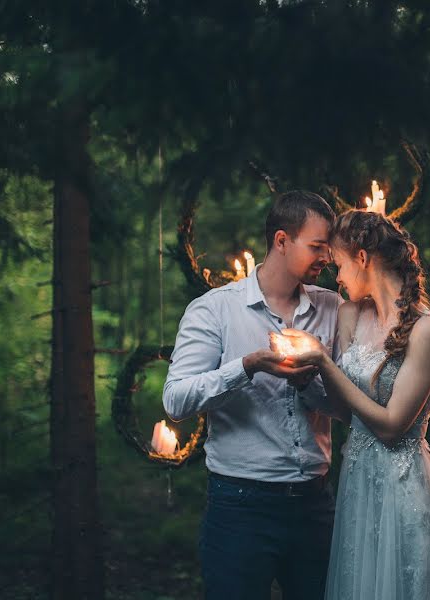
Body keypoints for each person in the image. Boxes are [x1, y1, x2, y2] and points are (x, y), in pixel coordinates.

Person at [283, 210, 430, 599]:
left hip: (401, 484)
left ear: (363, 259)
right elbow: (346, 409)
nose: (335, 277)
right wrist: (308, 378)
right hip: (357, 482)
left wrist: (323, 361)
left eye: (338, 264)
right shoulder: (352, 313)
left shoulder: (428, 331)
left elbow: (391, 426)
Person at [163, 190, 345, 599]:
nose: (327, 258)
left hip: (316, 505)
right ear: (282, 240)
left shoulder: (333, 308)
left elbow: (350, 409)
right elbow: (175, 400)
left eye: (328, 249)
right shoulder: (214, 310)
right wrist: (247, 367)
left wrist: (307, 384)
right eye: (317, 246)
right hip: (239, 505)